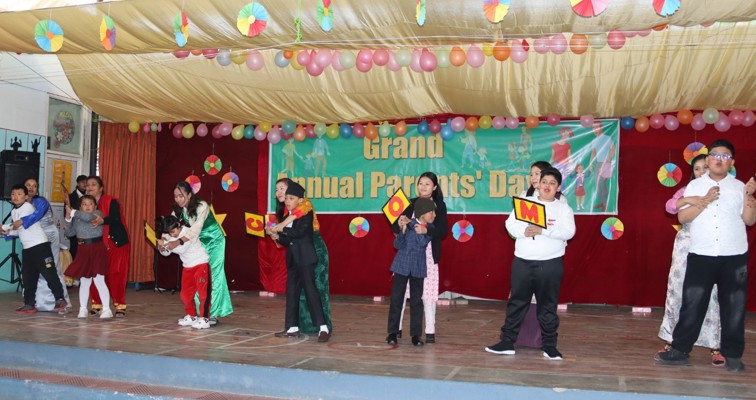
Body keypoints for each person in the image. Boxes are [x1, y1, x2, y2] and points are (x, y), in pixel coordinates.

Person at [656, 139, 756, 373]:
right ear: (708, 159)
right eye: (715, 155)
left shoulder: (740, 186)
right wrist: (704, 201)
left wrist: (750, 198)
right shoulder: (694, 187)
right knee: (692, 304)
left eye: (725, 156)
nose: (719, 159)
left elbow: (750, 220)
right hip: (701, 253)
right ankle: (680, 350)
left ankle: (732, 355)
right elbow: (682, 218)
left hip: (734, 255)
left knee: (734, 306)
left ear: (731, 162)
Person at [486, 168, 576, 360]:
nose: (547, 186)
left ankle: (549, 346)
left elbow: (569, 232)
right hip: (523, 262)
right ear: (538, 184)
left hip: (550, 264)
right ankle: (507, 342)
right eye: (544, 182)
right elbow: (510, 224)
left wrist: (544, 230)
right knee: (516, 303)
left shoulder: (563, 208)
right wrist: (523, 231)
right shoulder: (526, 203)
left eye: (552, 183)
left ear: (558, 188)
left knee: (548, 306)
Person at [657, 154, 723, 366]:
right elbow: (670, 206)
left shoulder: (721, 191)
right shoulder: (686, 190)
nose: (701, 171)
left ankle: (715, 345)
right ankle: (672, 340)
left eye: (705, 167)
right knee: (677, 291)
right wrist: (688, 199)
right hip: (686, 246)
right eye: (697, 169)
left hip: (712, 246)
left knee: (711, 294)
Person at [268, 181, 331, 342]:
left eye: (291, 198)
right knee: (291, 293)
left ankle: (323, 328)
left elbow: (299, 232)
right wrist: (276, 236)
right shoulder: (286, 217)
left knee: (311, 291)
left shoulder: (306, 213)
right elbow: (286, 240)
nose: (287, 200)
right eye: (286, 198)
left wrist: (281, 229)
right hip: (293, 259)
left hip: (305, 258)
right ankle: (292, 327)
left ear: (299, 201)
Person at [392, 172, 448, 344]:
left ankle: (429, 331)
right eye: (420, 183)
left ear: (435, 187)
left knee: (427, 295)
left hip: (428, 255)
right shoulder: (410, 202)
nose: (423, 187)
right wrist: (401, 224)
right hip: (408, 255)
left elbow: (443, 231)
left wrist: (427, 230)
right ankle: (395, 330)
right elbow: (395, 224)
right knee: (400, 294)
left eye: (427, 184)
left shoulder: (439, 205)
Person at [169, 181, 233, 326]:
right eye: (175, 196)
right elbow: (170, 228)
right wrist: (163, 241)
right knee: (197, 278)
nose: (178, 199)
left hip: (214, 240)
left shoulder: (202, 206)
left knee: (214, 275)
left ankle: (212, 314)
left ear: (189, 195)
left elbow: (195, 230)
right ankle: (197, 313)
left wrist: (178, 243)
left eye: (181, 196)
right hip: (197, 244)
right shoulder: (177, 210)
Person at [1, 184, 67, 314]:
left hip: (40, 246)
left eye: (19, 194)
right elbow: (19, 230)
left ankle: (60, 299)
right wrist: (6, 233)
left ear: (26, 197)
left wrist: (4, 227)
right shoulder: (14, 211)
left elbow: (18, 224)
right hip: (28, 249)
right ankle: (29, 304)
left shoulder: (27, 207)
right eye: (13, 194)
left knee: (50, 273)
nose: (15, 196)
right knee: (28, 277)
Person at [387, 197, 437, 347]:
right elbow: (397, 244)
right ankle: (392, 333)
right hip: (401, 266)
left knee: (416, 302)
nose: (434, 215)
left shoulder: (429, 228)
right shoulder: (408, 225)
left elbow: (422, 242)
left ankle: (416, 335)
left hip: (418, 269)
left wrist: (412, 223)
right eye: (431, 212)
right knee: (396, 300)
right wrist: (402, 229)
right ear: (422, 212)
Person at [156, 215, 211, 330]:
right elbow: (166, 254)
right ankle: (192, 316)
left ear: (179, 225)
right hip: (187, 267)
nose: (172, 234)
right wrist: (162, 248)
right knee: (185, 295)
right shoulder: (170, 236)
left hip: (201, 264)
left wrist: (166, 245)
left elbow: (180, 248)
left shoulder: (188, 232)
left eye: (173, 231)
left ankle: (205, 319)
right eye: (169, 233)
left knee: (203, 294)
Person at [86, 176, 130, 317]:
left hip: (116, 242)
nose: (89, 187)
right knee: (94, 274)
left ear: (101, 188)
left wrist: (102, 220)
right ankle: (97, 304)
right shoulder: (85, 204)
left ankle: (119, 305)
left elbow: (115, 218)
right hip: (95, 243)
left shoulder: (110, 201)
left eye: (93, 185)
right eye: (87, 185)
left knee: (116, 274)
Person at [64, 195, 113, 319]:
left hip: (96, 248)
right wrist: (69, 219)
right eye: (84, 204)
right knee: (85, 281)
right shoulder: (78, 217)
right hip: (83, 250)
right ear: (80, 206)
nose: (87, 206)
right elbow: (69, 233)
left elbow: (88, 217)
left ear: (95, 206)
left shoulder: (97, 214)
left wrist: (74, 212)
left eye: (90, 203)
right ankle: (82, 309)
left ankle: (107, 309)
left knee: (99, 280)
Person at [587, 121, 615, 212]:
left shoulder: (607, 138)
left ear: (601, 127)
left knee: (602, 185)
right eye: (593, 128)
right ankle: (602, 202)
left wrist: (608, 160)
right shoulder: (594, 140)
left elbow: (613, 149)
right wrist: (590, 164)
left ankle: (605, 204)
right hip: (599, 164)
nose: (595, 129)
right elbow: (593, 153)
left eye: (597, 127)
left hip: (606, 164)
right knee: (598, 184)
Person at [66, 174, 89, 260]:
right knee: (74, 250)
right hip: (75, 227)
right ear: (78, 184)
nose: (85, 185)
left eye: (86, 183)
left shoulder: (89, 196)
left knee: (85, 251)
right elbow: (67, 213)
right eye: (83, 182)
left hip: (87, 228)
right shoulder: (71, 197)